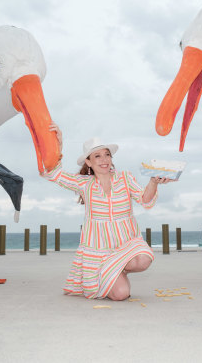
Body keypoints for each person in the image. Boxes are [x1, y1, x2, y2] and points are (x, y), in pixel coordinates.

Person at [42, 123, 173, 301]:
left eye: (107, 155)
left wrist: (154, 183)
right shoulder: (84, 184)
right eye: (97, 156)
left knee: (143, 259)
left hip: (125, 245)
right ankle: (113, 274)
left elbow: (145, 199)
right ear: (88, 162)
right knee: (121, 295)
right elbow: (52, 173)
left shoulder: (125, 178)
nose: (104, 160)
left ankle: (121, 268)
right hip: (99, 253)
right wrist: (58, 144)